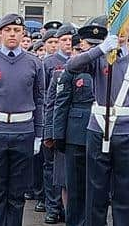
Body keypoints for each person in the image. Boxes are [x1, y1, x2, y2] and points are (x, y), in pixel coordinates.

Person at [67, 31, 129, 226]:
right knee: (95, 191)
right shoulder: (97, 59)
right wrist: (99, 50)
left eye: (123, 32)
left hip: (127, 134)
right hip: (97, 130)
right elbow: (72, 66)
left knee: (125, 192)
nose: (119, 36)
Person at [0, 13, 44, 226]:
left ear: (23, 34)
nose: (12, 34)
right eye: (8, 30)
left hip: (23, 131)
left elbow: (40, 100)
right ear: (1, 33)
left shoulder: (34, 63)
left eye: (17, 31)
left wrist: (39, 134)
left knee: (17, 193)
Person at [53, 24, 107, 226]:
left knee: (98, 188)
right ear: (81, 44)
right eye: (88, 44)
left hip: (102, 133)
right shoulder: (74, 67)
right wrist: (58, 136)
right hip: (76, 136)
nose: (91, 48)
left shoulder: (108, 66)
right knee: (75, 188)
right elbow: (61, 103)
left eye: (97, 44)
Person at [42, 23, 76, 224]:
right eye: (64, 40)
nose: (67, 44)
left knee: (67, 171)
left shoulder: (80, 61)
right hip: (55, 119)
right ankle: (52, 206)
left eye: (71, 41)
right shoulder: (49, 63)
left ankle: (66, 208)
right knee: (52, 169)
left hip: (71, 124)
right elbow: (46, 98)